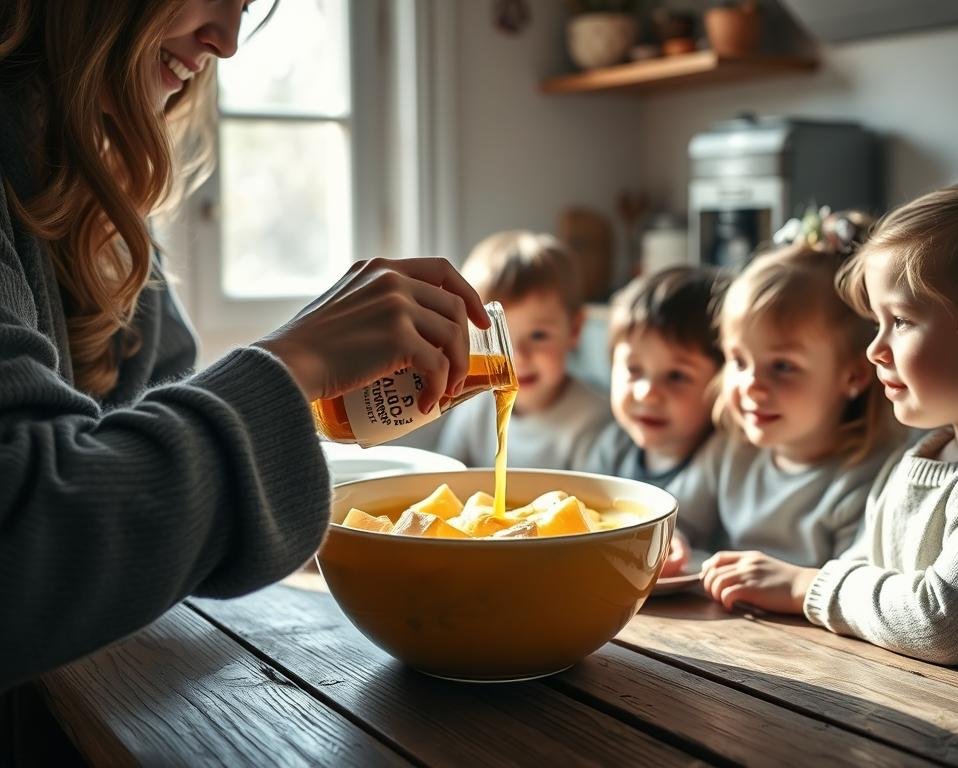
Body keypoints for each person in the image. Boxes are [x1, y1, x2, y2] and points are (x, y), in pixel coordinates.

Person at [0, 0, 489, 696]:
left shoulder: (100, 223)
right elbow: (24, 548)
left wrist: (306, 383)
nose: (227, 41)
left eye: (249, 5)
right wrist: (292, 364)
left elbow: (141, 456)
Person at [702, 173, 958, 673]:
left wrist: (802, 585)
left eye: (900, 321)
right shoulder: (918, 458)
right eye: (877, 323)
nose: (875, 349)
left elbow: (947, 624)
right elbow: (858, 566)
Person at [676, 210, 905, 572]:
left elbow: (851, 587)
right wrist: (673, 542)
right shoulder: (732, 448)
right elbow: (676, 520)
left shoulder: (870, 476)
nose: (751, 384)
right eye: (738, 360)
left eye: (782, 366)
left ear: (855, 376)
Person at [584, 266, 727, 574]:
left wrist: (676, 542)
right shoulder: (612, 445)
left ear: (721, 382)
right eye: (634, 370)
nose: (647, 393)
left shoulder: (724, 458)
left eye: (677, 376)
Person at [436, 230, 609, 470]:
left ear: (575, 330)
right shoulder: (473, 408)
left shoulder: (594, 421)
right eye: (496, 339)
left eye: (538, 336)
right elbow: (444, 479)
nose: (516, 357)